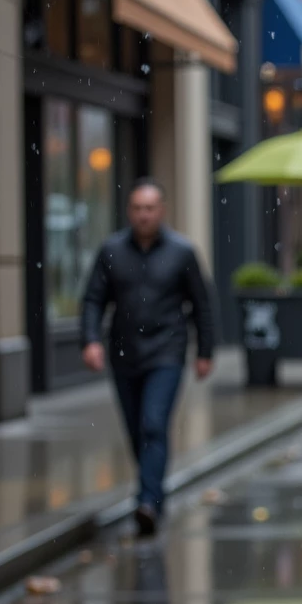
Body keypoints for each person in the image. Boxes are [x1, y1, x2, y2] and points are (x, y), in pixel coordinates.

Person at [81, 178, 215, 536]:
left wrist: (205, 351)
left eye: (149, 208)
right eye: (137, 208)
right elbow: (94, 298)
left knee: (153, 424)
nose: (143, 215)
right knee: (135, 428)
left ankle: (146, 502)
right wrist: (90, 339)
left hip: (166, 352)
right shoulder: (111, 251)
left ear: (162, 210)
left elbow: (202, 304)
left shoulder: (182, 252)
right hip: (123, 354)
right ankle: (153, 495)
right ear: (129, 211)